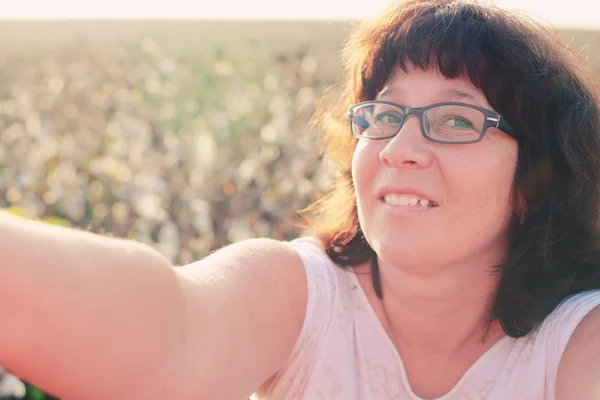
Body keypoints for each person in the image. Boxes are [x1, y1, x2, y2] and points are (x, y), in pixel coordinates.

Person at [2, 0, 600, 399]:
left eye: (454, 120)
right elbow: (172, 331)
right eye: (384, 115)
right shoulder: (302, 294)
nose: (398, 147)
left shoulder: (576, 341)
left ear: (537, 177)